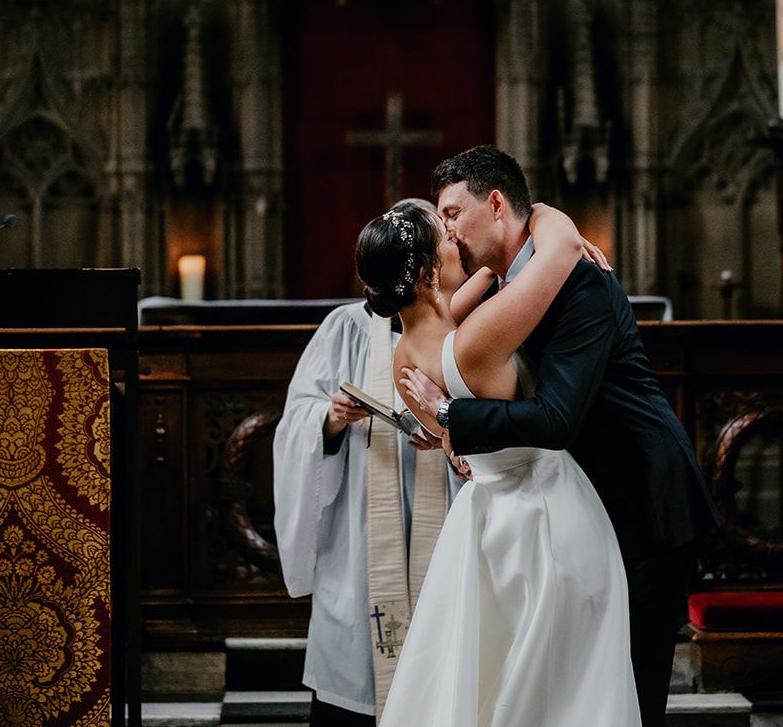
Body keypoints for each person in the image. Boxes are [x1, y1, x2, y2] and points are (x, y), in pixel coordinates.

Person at [400, 145, 718, 727]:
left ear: (495, 204)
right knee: (574, 692)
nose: (446, 232)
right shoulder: (504, 283)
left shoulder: (579, 283)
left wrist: (452, 418)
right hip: (581, 506)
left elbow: (557, 418)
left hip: (644, 501)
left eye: (451, 214)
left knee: (629, 693)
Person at [359, 198, 641, 727]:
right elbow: (555, 255)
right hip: (543, 514)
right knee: (561, 684)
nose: (453, 236)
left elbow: (480, 282)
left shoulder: (405, 356)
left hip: (483, 516)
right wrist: (541, 214)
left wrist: (449, 434)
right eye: (443, 236)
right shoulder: (476, 339)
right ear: (425, 272)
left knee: (491, 673)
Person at [272, 198, 455, 727]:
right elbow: (296, 418)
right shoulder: (345, 328)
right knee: (357, 678)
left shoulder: (461, 324)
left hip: (441, 517)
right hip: (360, 533)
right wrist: (328, 419)